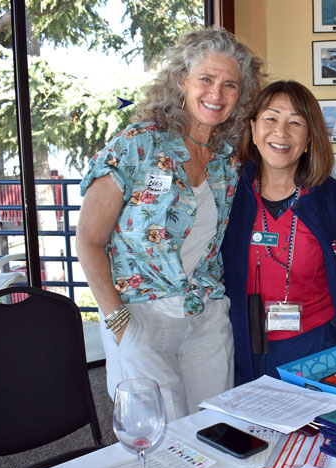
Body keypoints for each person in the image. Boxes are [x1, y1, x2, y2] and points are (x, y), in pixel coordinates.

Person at [76, 27, 265, 422]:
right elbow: (90, 240)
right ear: (182, 81)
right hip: (140, 315)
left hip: (206, 315)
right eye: (206, 80)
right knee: (158, 439)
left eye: (230, 85)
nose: (217, 94)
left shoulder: (228, 159)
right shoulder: (138, 143)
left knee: (214, 428)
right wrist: (118, 322)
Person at [222, 80, 336, 386]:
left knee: (312, 429)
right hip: (242, 340)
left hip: (313, 342)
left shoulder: (331, 199)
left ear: (308, 139)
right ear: (253, 129)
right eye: (271, 118)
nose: (281, 132)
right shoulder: (228, 191)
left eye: (295, 122)